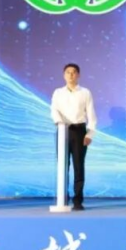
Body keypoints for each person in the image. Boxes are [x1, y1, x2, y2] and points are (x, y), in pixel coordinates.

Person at [50, 63, 97, 211]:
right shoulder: (58, 92)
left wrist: (90, 134)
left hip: (79, 131)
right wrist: (60, 123)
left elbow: (91, 115)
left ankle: (78, 200)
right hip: (62, 130)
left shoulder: (85, 92)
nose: (71, 75)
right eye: (68, 72)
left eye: (74, 72)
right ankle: (63, 197)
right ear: (64, 75)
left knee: (78, 166)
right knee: (63, 165)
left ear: (78, 75)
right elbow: (54, 110)